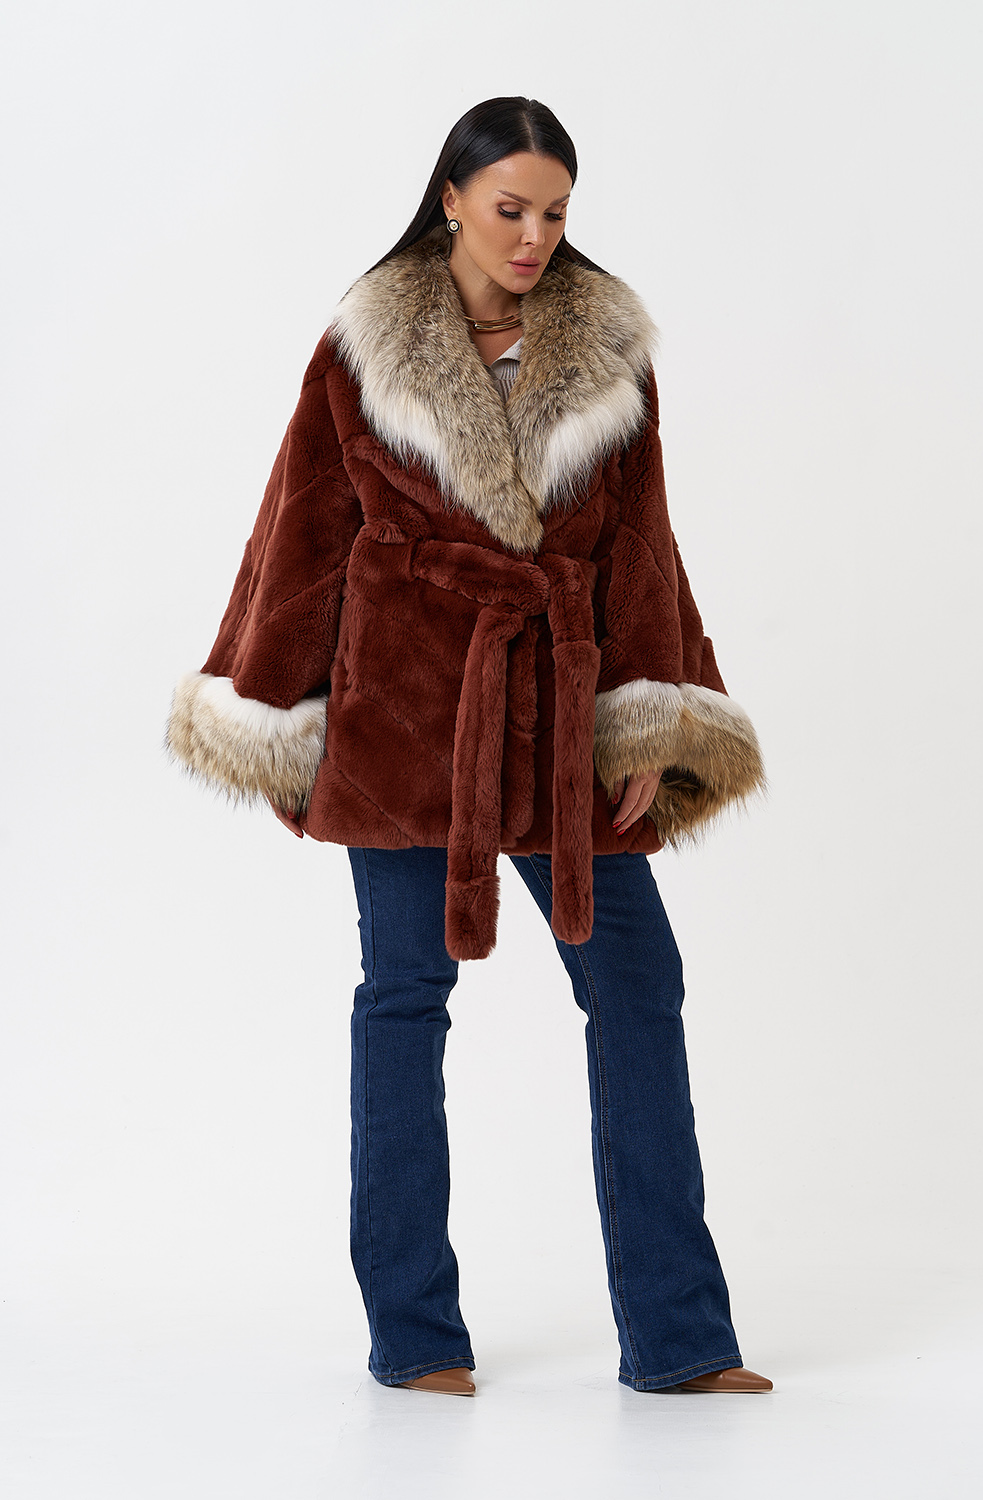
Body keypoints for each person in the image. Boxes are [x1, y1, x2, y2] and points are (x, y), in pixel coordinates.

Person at [165, 96, 771, 1398]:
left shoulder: (609, 352)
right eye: (511, 209)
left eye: (556, 212)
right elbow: (301, 531)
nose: (535, 236)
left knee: (638, 985)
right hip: (402, 713)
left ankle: (678, 1337)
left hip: (561, 714)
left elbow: (643, 547)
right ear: (450, 198)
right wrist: (278, 716)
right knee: (403, 1000)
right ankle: (415, 1334)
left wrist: (646, 720)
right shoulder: (363, 347)